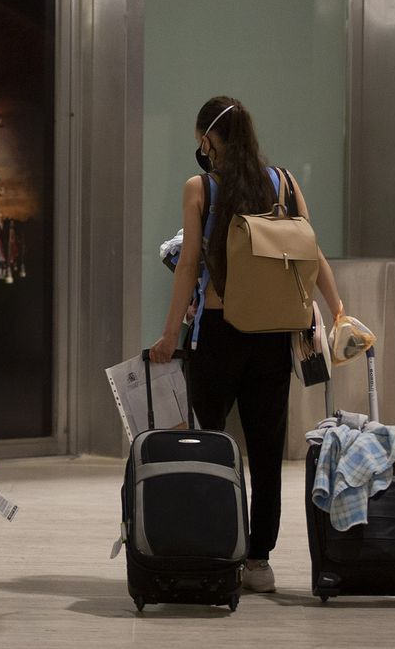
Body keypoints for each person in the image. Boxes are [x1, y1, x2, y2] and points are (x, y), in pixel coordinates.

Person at [149, 95, 344, 595]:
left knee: (208, 444)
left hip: (217, 333)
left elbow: (189, 264)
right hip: (273, 336)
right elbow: (312, 250)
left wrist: (170, 336)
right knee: (265, 451)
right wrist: (338, 310)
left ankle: (213, 545)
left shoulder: (201, 188)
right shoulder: (284, 183)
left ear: (207, 139)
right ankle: (259, 561)